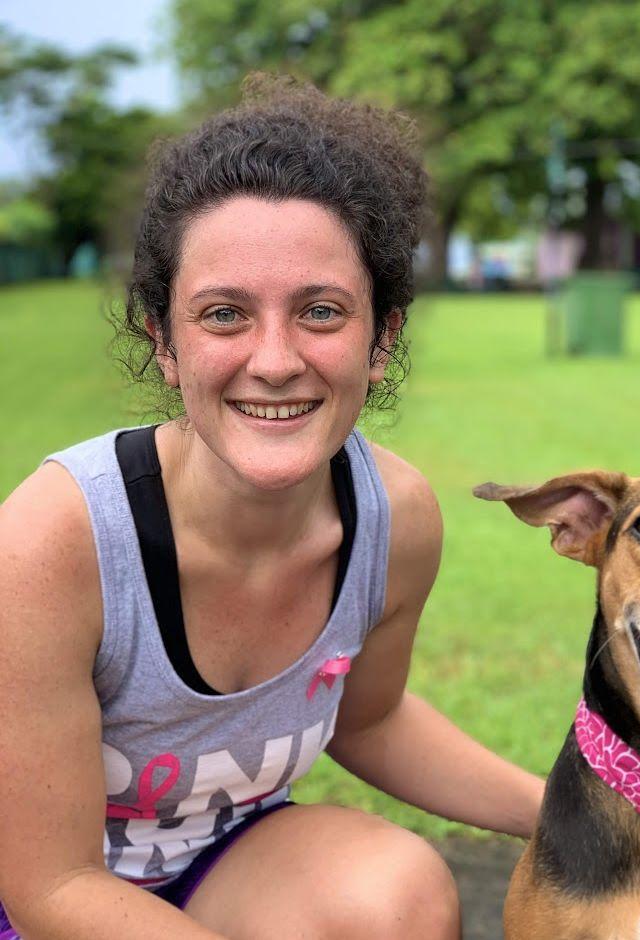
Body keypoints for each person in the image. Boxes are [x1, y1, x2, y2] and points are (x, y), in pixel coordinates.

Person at [0, 76, 544, 940]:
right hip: (39, 901)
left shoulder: (393, 518)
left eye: (321, 311)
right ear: (164, 342)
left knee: (394, 895)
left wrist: (575, 814)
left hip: (218, 867)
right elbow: (52, 886)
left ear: (382, 337)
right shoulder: (54, 539)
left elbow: (370, 719)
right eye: (224, 315)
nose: (276, 360)